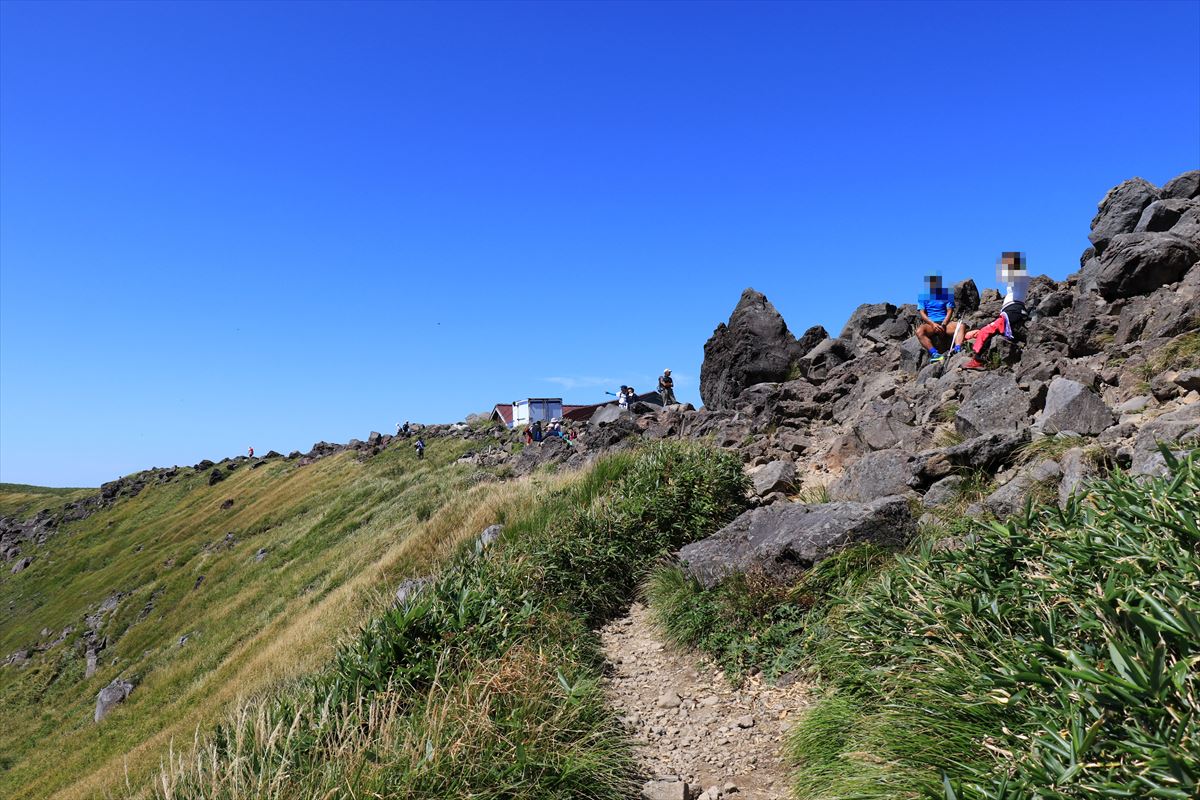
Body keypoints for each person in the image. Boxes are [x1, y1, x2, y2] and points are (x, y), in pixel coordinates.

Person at [962, 252, 1031, 371]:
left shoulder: (1021, 275)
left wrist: (1010, 263)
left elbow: (1011, 274)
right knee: (984, 331)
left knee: (987, 330)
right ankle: (979, 357)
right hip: (1011, 310)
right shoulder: (1018, 279)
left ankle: (977, 360)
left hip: (1013, 310)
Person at [915, 273, 961, 363]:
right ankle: (935, 354)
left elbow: (950, 311)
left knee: (960, 326)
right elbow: (922, 312)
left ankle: (957, 349)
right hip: (931, 324)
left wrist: (944, 324)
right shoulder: (923, 296)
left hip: (945, 323)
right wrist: (932, 324)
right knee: (919, 332)